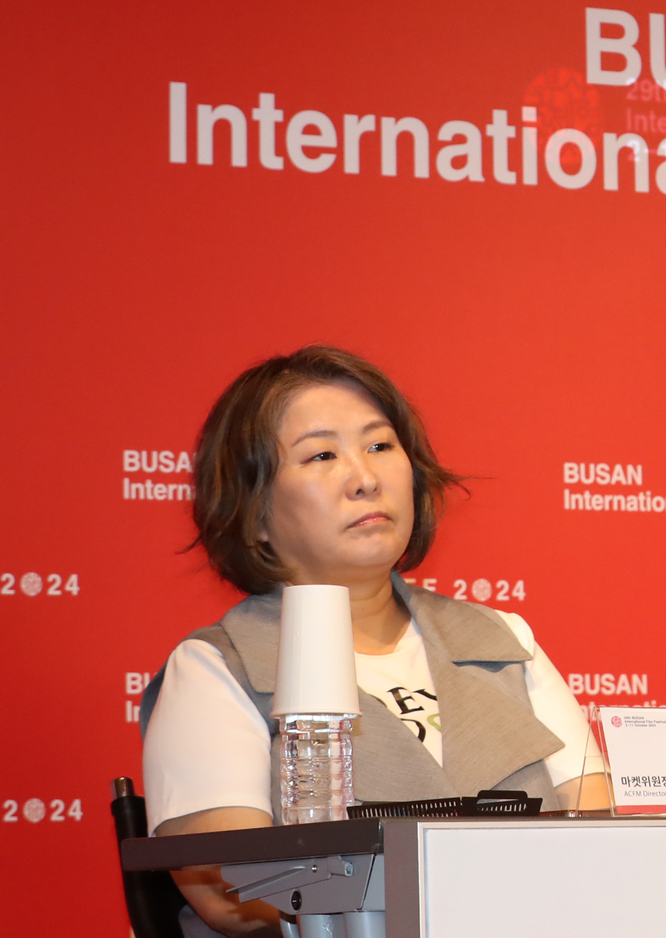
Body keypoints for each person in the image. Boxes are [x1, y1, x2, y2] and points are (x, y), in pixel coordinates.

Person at [141, 346, 606, 937]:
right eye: (323, 455)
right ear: (253, 511)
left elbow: (599, 837)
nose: (364, 478)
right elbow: (232, 896)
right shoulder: (217, 667)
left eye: (381, 446)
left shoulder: (501, 638)